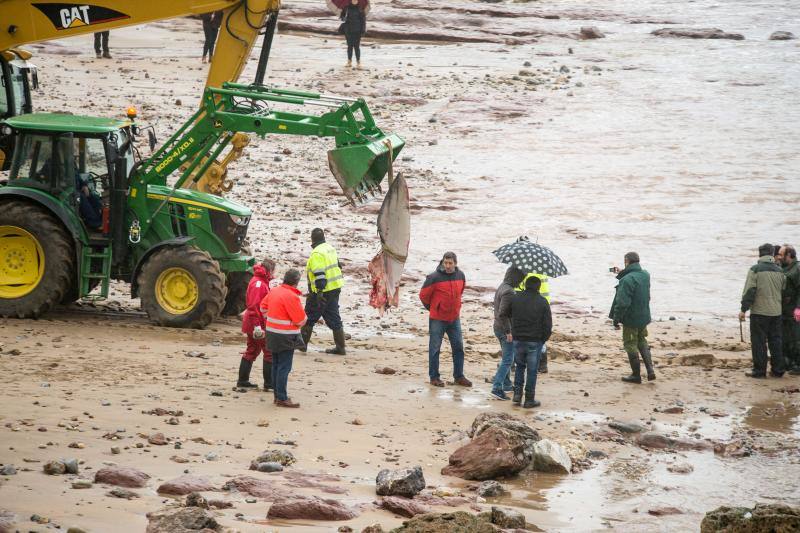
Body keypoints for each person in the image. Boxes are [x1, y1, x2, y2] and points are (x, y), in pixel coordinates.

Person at [419, 252, 471, 387]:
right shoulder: (433, 277)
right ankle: (434, 377)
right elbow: (423, 295)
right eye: (445, 263)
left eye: (450, 263)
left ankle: (459, 376)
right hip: (437, 319)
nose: (447, 266)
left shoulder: (461, 276)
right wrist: (434, 308)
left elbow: (461, 291)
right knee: (435, 349)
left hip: (454, 318)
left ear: (455, 263)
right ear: (442, 262)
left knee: (459, 347)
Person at [261, 269, 307, 408]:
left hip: (271, 333)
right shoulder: (291, 296)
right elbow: (300, 320)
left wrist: (272, 318)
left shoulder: (274, 291)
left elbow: (262, 308)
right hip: (286, 335)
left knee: (275, 364)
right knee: (283, 367)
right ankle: (281, 397)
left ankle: (277, 396)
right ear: (296, 282)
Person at [740, 243, 786, 378]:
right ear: (772, 254)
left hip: (759, 312)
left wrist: (744, 309)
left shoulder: (755, 269)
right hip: (776, 312)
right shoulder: (780, 271)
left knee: (759, 342)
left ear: (760, 254)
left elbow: (750, 291)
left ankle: (759, 371)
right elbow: (783, 290)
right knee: (776, 341)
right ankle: (778, 370)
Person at [610, 252, 654, 383]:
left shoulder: (627, 280)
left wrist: (616, 319)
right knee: (642, 340)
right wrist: (623, 273)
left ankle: (636, 375)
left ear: (626, 261)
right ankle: (650, 370)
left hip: (631, 318)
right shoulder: (645, 275)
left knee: (630, 344)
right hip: (644, 315)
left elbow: (622, 303)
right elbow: (635, 281)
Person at [301, 228, 347, 355]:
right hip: (335, 287)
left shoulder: (317, 253)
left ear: (312, 239)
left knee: (310, 317)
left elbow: (319, 274)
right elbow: (338, 266)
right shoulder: (330, 248)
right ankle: (341, 347)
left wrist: (319, 292)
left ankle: (301, 345)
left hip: (322, 291)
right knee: (333, 316)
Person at [508, 276, 552, 408]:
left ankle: (517, 395)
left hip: (518, 339)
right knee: (532, 371)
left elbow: (509, 316)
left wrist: (514, 332)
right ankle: (529, 399)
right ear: (538, 287)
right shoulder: (543, 301)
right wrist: (542, 339)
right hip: (534, 340)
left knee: (520, 367)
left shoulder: (515, 299)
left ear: (525, 285)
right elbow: (548, 325)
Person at [238, 259, 276, 390]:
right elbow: (254, 306)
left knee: (252, 350)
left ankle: (243, 380)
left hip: (253, 322)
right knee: (268, 351)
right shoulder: (259, 283)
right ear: (269, 270)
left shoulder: (260, 281)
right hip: (257, 323)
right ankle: (269, 384)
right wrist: (257, 326)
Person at [490, 266, 525, 400]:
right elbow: (503, 313)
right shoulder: (509, 291)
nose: (521, 282)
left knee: (507, 357)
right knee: (508, 360)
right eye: (520, 279)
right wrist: (509, 332)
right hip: (504, 329)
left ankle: (506, 384)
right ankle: (497, 387)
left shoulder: (502, 286)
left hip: (498, 327)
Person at [517, 272, 551, 373]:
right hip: (543, 301)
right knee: (539, 334)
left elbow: (521, 289)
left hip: (530, 303)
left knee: (525, 334)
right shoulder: (542, 269)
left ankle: (519, 361)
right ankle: (542, 364)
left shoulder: (525, 271)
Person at [778, 245, 800, 375]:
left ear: (789, 255)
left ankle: (798, 365)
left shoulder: (797, 268)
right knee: (785, 338)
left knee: (796, 339)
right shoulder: (782, 268)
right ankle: (787, 363)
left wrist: (798, 307)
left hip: (794, 310)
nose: (779, 257)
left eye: (782, 255)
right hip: (783, 310)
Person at [340, 0, 366, 68]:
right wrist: (343, 18)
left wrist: (363, 30)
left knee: (356, 47)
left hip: (357, 31)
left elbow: (363, 21)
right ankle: (349, 61)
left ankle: (358, 62)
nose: (354, 1)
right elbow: (342, 16)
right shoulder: (346, 8)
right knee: (349, 46)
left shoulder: (361, 9)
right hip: (348, 30)